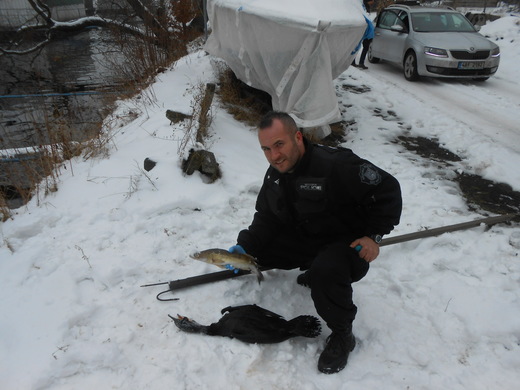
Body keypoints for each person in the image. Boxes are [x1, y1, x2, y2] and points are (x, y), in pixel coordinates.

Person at [228, 111, 402, 374]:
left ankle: (343, 335)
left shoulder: (336, 165)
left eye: (279, 145)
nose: (274, 156)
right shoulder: (275, 173)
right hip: (307, 240)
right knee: (254, 256)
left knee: (326, 271)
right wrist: (246, 247)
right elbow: (267, 217)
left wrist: (374, 236)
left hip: (347, 246)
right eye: (266, 149)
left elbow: (388, 189)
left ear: (297, 137)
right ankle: (312, 267)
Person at [352, 0, 376, 70]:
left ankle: (358, 62)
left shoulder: (364, 6)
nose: (373, 2)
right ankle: (355, 62)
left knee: (361, 46)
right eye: (372, 1)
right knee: (357, 46)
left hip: (366, 30)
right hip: (364, 30)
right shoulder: (363, 7)